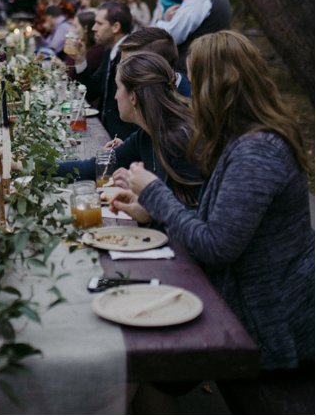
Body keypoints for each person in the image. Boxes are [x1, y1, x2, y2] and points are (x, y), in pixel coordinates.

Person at [118, 31, 314, 372]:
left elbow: (216, 246)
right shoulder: (245, 140)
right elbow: (216, 222)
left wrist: (154, 194)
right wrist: (150, 213)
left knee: (144, 366)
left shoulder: (257, 152)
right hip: (253, 304)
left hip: (270, 323)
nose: (188, 97)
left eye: (194, 84)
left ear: (217, 88)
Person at [59, 52, 200, 197]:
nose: (115, 96)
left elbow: (189, 212)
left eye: (118, 88)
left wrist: (143, 197)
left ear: (133, 97)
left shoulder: (178, 140)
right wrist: (37, 168)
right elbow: (89, 168)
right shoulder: (146, 135)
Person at [72, 1, 134, 140]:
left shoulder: (130, 55)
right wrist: (80, 60)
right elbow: (92, 92)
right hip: (106, 132)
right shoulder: (110, 51)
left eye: (99, 24)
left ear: (115, 27)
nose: (93, 28)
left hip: (121, 140)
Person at [119, 26, 191, 97]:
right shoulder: (141, 91)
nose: (120, 71)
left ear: (156, 65)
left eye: (128, 65)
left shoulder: (189, 103)